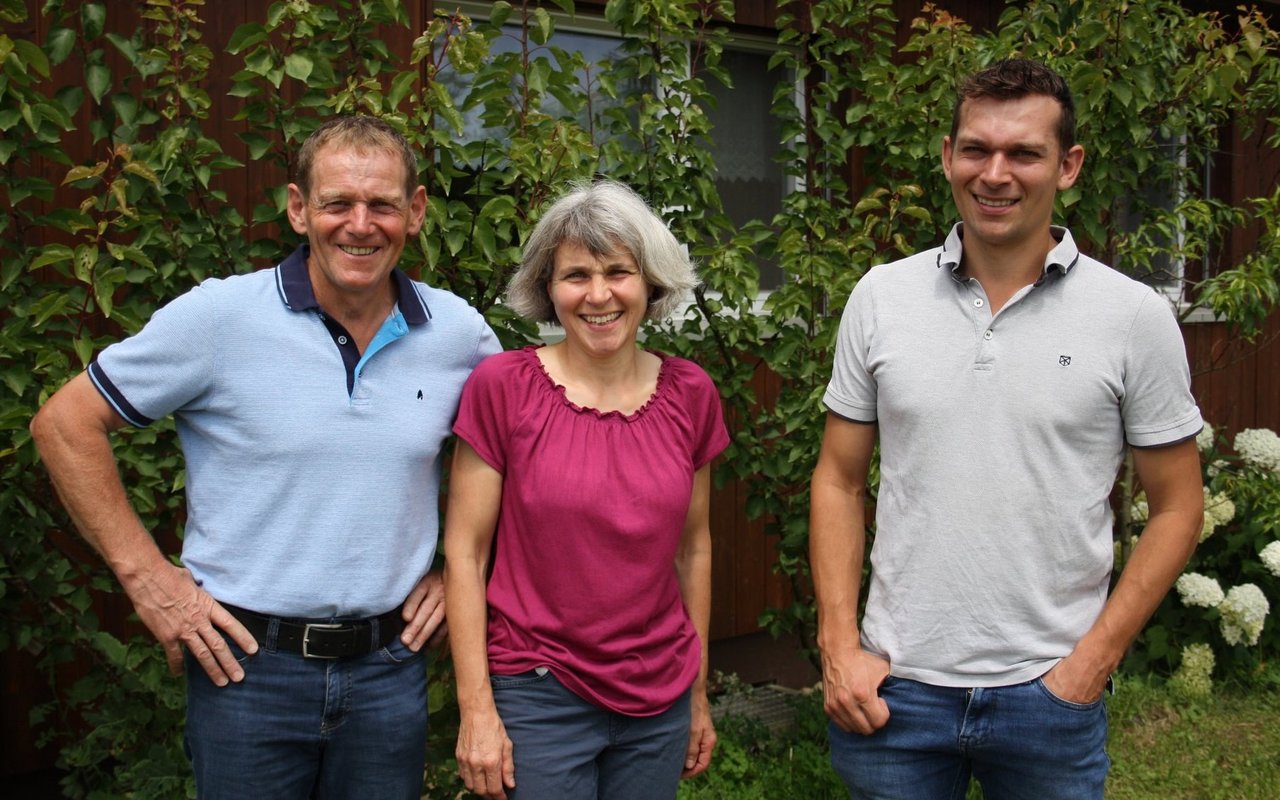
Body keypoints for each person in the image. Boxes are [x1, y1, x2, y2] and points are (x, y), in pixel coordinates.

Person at [29, 115, 501, 799]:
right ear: (298, 208)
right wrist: (149, 580)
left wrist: (456, 571)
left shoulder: (457, 334)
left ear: (417, 211)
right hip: (247, 672)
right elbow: (65, 424)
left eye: (382, 204)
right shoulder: (221, 318)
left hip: (389, 671)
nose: (360, 225)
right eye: (337, 203)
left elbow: (519, 456)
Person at [810, 58, 1205, 799]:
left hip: (1051, 693)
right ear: (948, 156)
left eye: (1024, 153)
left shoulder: (1132, 317)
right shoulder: (881, 298)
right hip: (895, 688)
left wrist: (1092, 663)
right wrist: (838, 645)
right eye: (976, 149)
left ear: (1068, 166)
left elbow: (1179, 506)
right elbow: (838, 478)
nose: (995, 174)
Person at [443, 179, 729, 800]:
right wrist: (476, 708)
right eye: (576, 275)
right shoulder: (503, 388)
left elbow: (693, 550)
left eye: (618, 272)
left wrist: (698, 691)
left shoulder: (691, 395)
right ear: (548, 288)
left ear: (649, 283)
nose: (599, 295)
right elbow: (465, 553)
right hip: (538, 692)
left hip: (660, 696)